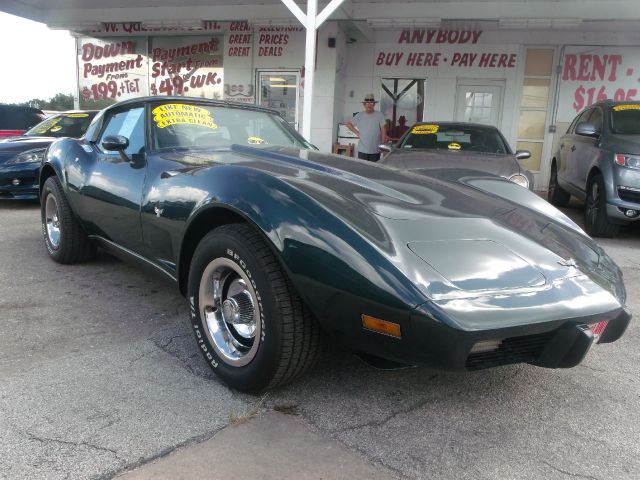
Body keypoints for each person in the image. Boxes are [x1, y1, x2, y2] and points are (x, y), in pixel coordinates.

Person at [346, 93, 388, 161]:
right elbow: (348, 124)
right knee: (363, 170)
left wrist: (382, 146)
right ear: (364, 104)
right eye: (367, 103)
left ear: (374, 104)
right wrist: (357, 133)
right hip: (362, 150)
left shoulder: (380, 115)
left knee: (374, 169)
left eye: (371, 102)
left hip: (376, 150)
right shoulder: (359, 115)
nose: (369, 104)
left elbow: (383, 131)